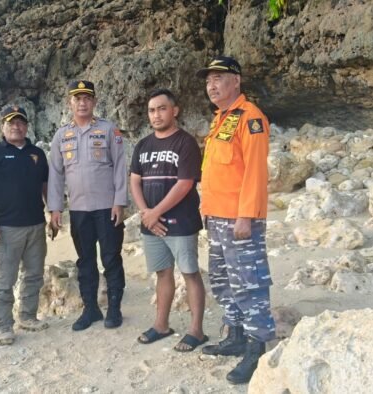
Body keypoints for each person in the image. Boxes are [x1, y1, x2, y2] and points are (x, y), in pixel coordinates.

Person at [195, 57, 276, 384]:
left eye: (219, 78)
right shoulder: (221, 119)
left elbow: (255, 172)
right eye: (208, 80)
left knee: (249, 281)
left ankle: (257, 348)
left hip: (240, 219)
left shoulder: (251, 118)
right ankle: (236, 335)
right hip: (217, 217)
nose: (212, 85)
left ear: (236, 81)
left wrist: (246, 215)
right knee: (222, 278)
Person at [130, 89, 207, 352]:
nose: (156, 114)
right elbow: (134, 181)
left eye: (162, 108)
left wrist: (155, 212)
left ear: (175, 110)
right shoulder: (142, 145)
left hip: (181, 221)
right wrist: (145, 213)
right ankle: (161, 325)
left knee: (189, 273)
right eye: (152, 110)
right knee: (163, 273)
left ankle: (196, 331)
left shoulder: (185, 143)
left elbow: (185, 183)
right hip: (151, 225)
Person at [48, 80, 128, 331]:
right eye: (77, 98)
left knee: (111, 258)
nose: (82, 103)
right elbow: (55, 174)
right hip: (79, 210)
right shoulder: (62, 135)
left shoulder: (107, 129)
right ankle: (90, 308)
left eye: (86, 98)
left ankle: (114, 307)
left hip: (107, 208)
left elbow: (120, 167)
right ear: (70, 103)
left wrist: (120, 202)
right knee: (85, 260)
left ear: (94, 102)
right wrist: (55, 208)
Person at [0, 105, 50, 346]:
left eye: (20, 122)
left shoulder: (37, 154)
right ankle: (3, 326)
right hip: (5, 228)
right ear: (2, 127)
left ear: (27, 126)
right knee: (5, 279)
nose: (16, 126)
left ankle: (28, 316)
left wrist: (53, 212)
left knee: (34, 275)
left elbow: (45, 186)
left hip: (36, 225)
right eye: (10, 123)